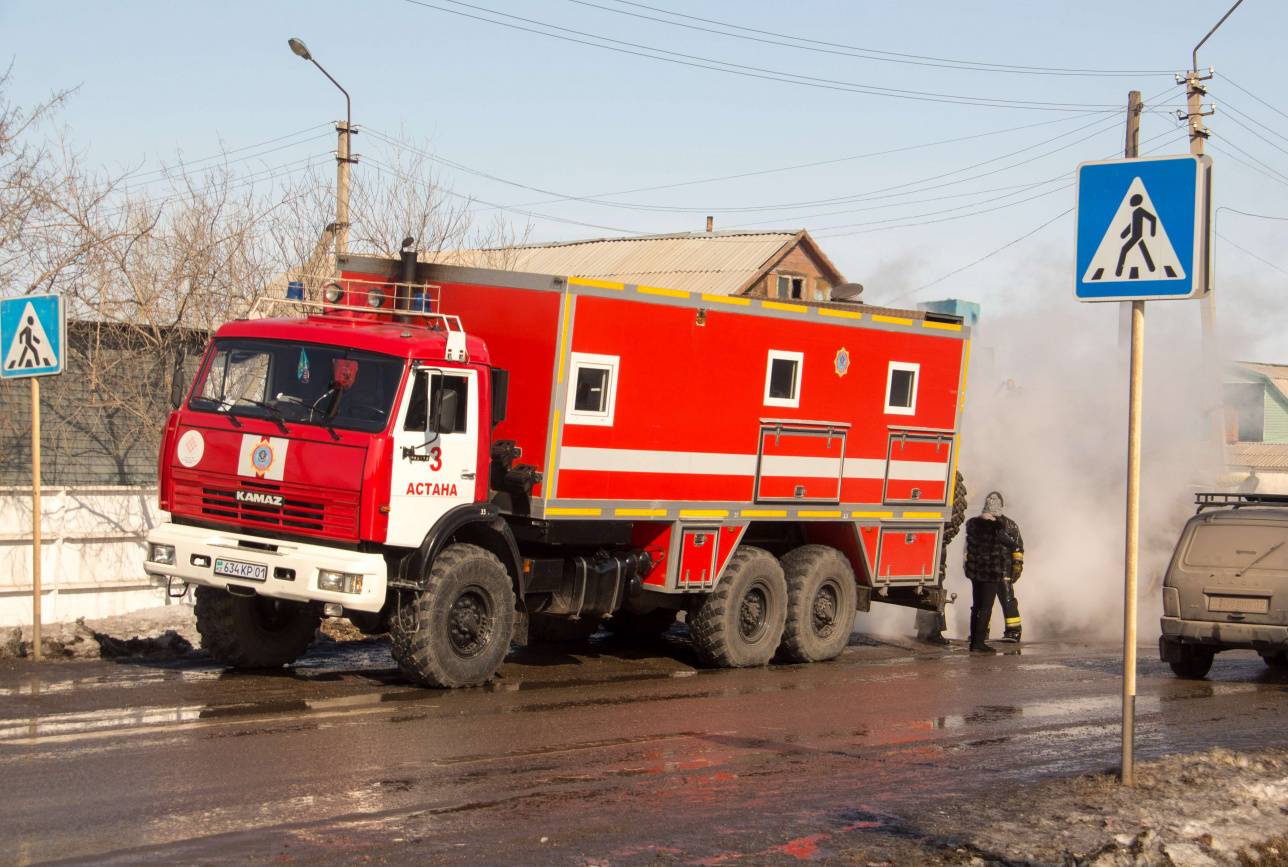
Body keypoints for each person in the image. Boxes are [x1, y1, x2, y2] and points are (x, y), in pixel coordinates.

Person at [963, 491, 1025, 653]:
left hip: (980, 572)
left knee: (988, 604)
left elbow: (967, 550)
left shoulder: (973, 524)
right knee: (986, 607)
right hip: (994, 570)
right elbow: (1014, 544)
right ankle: (981, 639)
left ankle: (1007, 632)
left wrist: (1017, 563)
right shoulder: (999, 527)